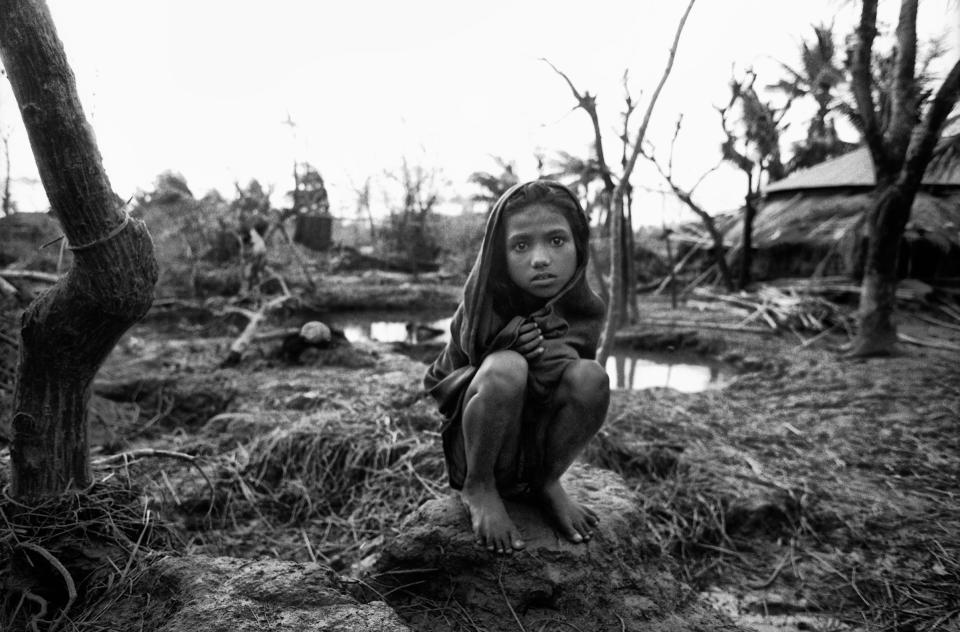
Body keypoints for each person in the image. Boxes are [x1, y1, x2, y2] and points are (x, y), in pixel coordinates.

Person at [424, 180, 609, 554]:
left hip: (538, 451)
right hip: (483, 448)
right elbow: (438, 384)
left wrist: (546, 355)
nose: (540, 259)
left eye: (556, 241)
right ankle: (479, 488)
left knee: (592, 377)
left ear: (579, 246)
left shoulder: (584, 310)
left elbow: (570, 391)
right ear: (500, 255)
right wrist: (500, 347)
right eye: (521, 245)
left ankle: (547, 482)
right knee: (507, 367)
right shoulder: (481, 305)